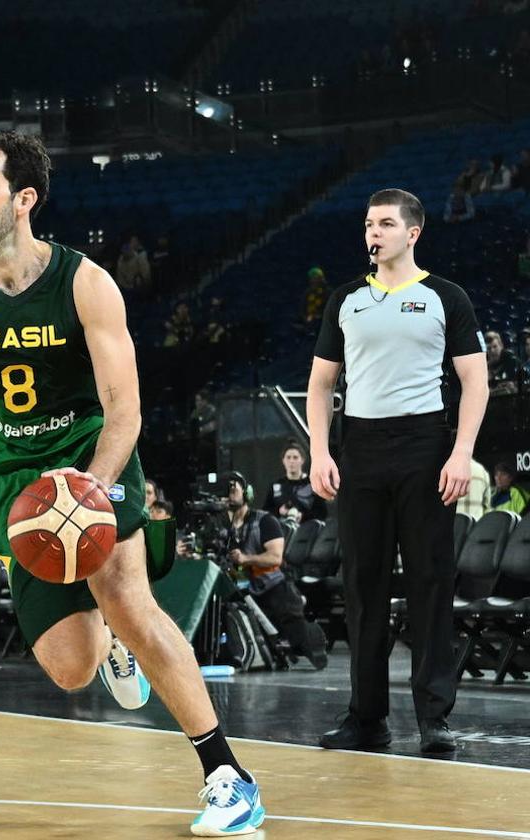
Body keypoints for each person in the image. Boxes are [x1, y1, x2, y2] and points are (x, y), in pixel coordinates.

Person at [0, 131, 263, 836]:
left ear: (24, 198)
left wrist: (91, 490)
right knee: (71, 668)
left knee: (129, 599)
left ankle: (227, 774)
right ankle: (113, 646)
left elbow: (125, 408)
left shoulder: (85, 282)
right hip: (10, 479)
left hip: (89, 457)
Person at [308, 188, 488, 755]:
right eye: (368, 225)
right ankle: (367, 719)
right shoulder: (345, 299)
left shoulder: (446, 297)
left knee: (431, 585)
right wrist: (319, 451)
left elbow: (475, 383)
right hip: (360, 447)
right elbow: (320, 385)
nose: (373, 233)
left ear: (414, 232)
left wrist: (460, 452)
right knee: (362, 586)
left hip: (424, 445)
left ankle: (435, 718)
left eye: (385, 224)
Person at [222, 473, 327, 669]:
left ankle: (310, 637)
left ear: (247, 493)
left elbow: (275, 557)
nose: (228, 494)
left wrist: (246, 559)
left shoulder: (264, 520)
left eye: (233, 489)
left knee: (300, 638)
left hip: (272, 585)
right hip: (239, 589)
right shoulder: (221, 526)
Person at [262, 443, 328, 523]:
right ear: (283, 460)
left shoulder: (313, 484)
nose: (291, 461)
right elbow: (265, 513)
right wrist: (279, 511)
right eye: (288, 458)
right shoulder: (276, 486)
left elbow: (322, 513)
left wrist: (303, 515)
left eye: (295, 458)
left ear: (302, 460)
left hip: (308, 531)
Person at [485, 330, 520, 396]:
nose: (492, 351)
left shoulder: (511, 360)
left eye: (495, 347)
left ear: (501, 346)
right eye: (489, 348)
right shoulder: (484, 365)